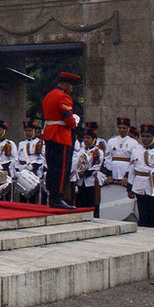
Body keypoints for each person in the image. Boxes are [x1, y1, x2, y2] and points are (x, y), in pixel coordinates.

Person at [40, 71, 80, 210]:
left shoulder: (49, 96)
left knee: (52, 167)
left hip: (49, 134)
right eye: (71, 85)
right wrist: (75, 121)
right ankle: (57, 197)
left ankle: (53, 196)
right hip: (60, 136)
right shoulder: (63, 97)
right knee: (62, 168)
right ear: (66, 84)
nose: (72, 88)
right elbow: (69, 121)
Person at [127, 124, 154, 228]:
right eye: (143, 136)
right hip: (140, 185)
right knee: (142, 214)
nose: (145, 139)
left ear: (153, 137)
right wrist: (129, 187)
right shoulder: (136, 150)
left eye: (148, 136)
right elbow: (132, 170)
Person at [73, 126, 104, 216]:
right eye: (84, 138)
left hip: (91, 181)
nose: (86, 140)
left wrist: (85, 173)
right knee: (80, 204)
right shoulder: (80, 151)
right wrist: (78, 172)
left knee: (93, 204)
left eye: (88, 138)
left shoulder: (98, 151)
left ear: (94, 139)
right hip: (80, 182)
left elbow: (97, 166)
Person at [104, 117, 140, 184]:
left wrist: (127, 175)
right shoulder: (111, 141)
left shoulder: (134, 143)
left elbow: (133, 161)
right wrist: (109, 174)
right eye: (120, 128)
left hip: (126, 174)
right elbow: (108, 158)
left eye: (124, 128)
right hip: (114, 173)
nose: (122, 130)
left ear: (128, 128)